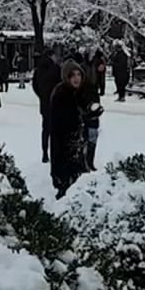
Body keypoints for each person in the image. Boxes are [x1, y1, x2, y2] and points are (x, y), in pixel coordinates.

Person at [48, 60, 88, 197]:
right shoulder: (62, 94)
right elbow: (61, 125)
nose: (77, 78)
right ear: (67, 77)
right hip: (64, 147)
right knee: (67, 187)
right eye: (73, 75)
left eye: (79, 74)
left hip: (75, 144)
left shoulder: (77, 92)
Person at [32, 51, 60, 163]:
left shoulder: (38, 70)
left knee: (46, 129)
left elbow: (35, 86)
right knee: (56, 130)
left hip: (44, 103)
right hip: (56, 103)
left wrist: (42, 96)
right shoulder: (56, 69)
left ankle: (44, 152)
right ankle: (55, 152)